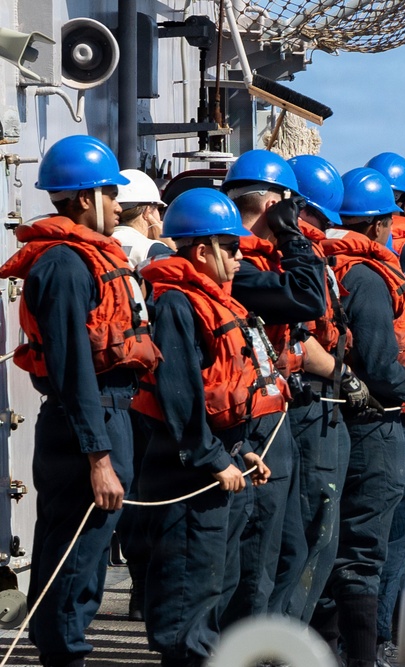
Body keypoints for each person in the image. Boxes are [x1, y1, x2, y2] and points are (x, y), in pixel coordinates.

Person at [0, 135, 161, 667]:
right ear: (85, 198)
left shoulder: (83, 258)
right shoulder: (66, 266)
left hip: (104, 414)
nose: (118, 204)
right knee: (76, 556)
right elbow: (72, 368)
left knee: (80, 553)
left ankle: (63, 648)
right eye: (110, 193)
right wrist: (99, 458)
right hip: (86, 422)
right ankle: (64, 654)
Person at [311, 167, 405, 667]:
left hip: (332, 420)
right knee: (364, 551)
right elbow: (378, 364)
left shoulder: (324, 263)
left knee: (331, 543)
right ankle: (362, 656)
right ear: (377, 225)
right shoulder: (367, 278)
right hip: (374, 425)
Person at [130, 188, 275, 667]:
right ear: (201, 251)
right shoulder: (176, 305)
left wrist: (240, 451)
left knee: (216, 589)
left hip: (220, 464)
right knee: (188, 602)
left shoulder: (212, 300)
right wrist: (213, 459)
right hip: (187, 475)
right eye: (230, 248)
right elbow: (180, 395)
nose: (238, 257)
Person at [219, 149, 327, 623]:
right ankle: (241, 647)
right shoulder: (237, 265)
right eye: (292, 210)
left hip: (274, 414)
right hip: (253, 425)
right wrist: (292, 237)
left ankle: (266, 644)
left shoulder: (259, 262)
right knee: (256, 558)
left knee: (289, 548)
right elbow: (308, 299)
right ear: (274, 206)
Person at [283, 154, 364, 623]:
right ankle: (283, 642)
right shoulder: (295, 257)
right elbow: (298, 339)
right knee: (312, 532)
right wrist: (345, 375)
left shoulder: (302, 255)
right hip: (309, 404)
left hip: (311, 405)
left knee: (311, 534)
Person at [109, 167, 172, 621]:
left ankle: (138, 588)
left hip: (110, 387)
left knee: (127, 488)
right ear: (148, 210)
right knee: (154, 486)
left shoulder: (96, 247)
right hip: (148, 385)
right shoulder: (151, 250)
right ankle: (153, 590)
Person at [111, 169, 172, 268]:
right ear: (147, 211)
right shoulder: (153, 249)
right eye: (159, 209)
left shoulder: (99, 240)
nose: (160, 219)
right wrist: (171, 246)